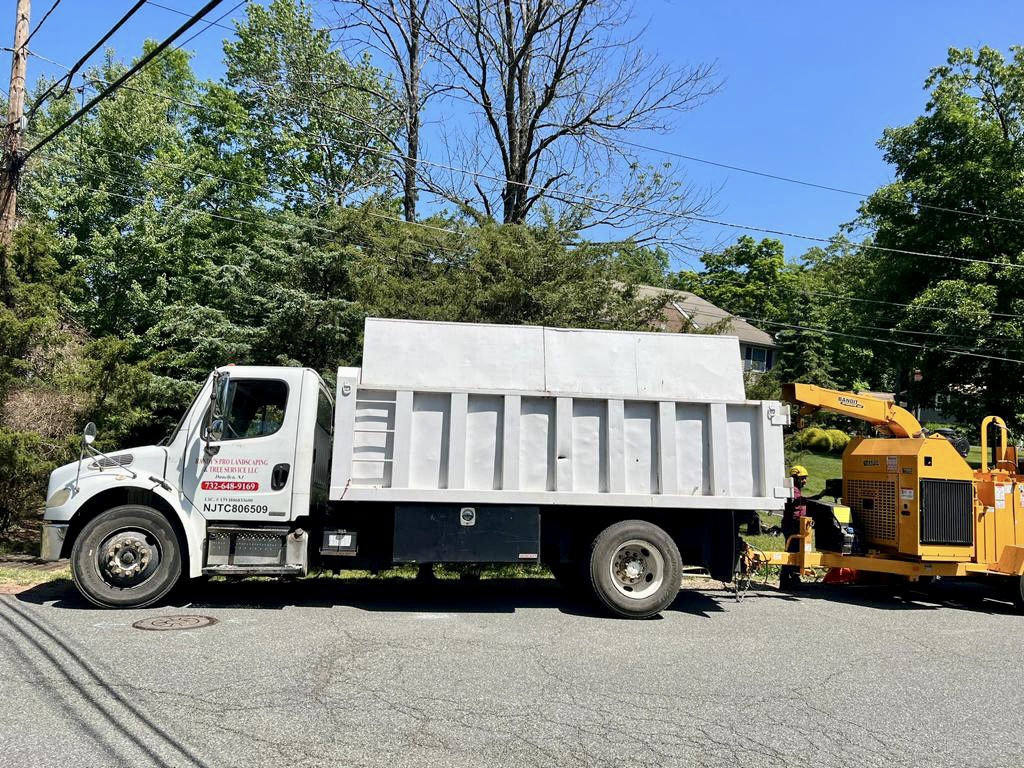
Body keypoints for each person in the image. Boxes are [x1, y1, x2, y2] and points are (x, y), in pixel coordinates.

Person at [781, 465, 811, 589]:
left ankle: (792, 578)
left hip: (795, 525)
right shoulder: (792, 490)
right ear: (795, 478)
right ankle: (788, 580)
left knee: (796, 551)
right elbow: (797, 500)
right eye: (803, 478)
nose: (805, 481)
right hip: (792, 525)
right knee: (793, 553)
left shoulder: (796, 489)